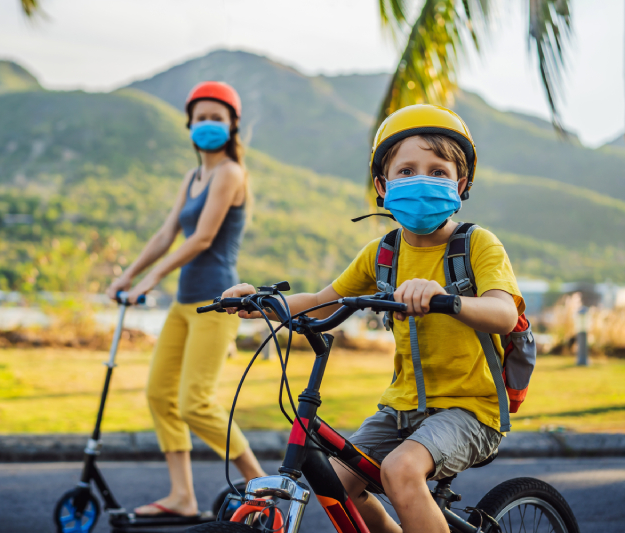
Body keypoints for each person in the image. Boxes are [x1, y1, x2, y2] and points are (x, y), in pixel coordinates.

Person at [221, 104, 525, 533]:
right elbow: (323, 302)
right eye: (407, 171)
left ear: (460, 185)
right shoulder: (383, 254)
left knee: (401, 470)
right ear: (383, 185)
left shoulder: (477, 245)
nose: (421, 180)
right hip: (400, 408)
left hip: (472, 410)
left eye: (438, 172)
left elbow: (505, 313)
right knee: (336, 482)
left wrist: (446, 299)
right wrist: (260, 301)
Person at [106, 81, 266, 518]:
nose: (208, 124)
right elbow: (166, 234)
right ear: (189, 125)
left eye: (217, 118)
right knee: (160, 394)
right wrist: (127, 276)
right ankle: (182, 496)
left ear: (232, 125)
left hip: (218, 303)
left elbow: (202, 238)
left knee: (195, 402)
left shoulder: (230, 173)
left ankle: (262, 487)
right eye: (201, 118)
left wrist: (152, 279)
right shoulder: (192, 178)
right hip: (184, 304)